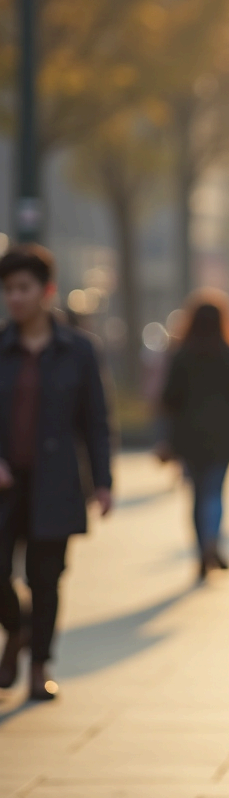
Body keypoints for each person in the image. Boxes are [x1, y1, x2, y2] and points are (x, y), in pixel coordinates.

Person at [0, 245, 112, 701]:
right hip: (5, 484)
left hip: (56, 481)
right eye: (7, 290)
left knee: (45, 578)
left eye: (23, 288)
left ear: (46, 291)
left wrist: (103, 482)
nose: (14, 298)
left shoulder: (79, 350)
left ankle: (38, 667)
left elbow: (96, 421)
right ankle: (20, 627)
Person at [162, 293, 229, 581]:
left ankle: (203, 549)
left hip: (189, 435)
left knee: (197, 494)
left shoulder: (182, 354)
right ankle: (214, 544)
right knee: (215, 492)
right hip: (223, 432)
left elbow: (169, 397)